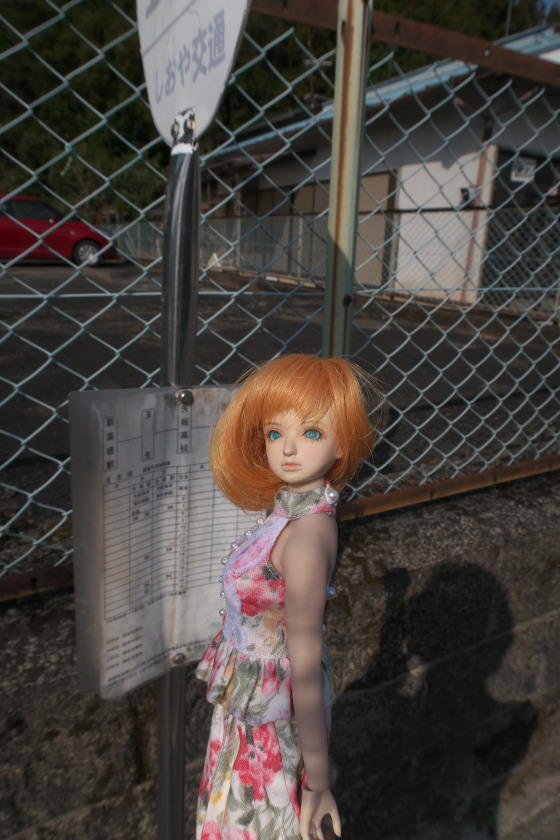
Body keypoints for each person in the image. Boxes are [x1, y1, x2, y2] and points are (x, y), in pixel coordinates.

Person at [196, 353, 384, 840]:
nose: (289, 449)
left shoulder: (305, 538)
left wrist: (318, 782)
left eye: (312, 432)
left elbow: (304, 664)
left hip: (269, 724)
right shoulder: (290, 515)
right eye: (275, 433)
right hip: (251, 710)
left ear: (343, 441)